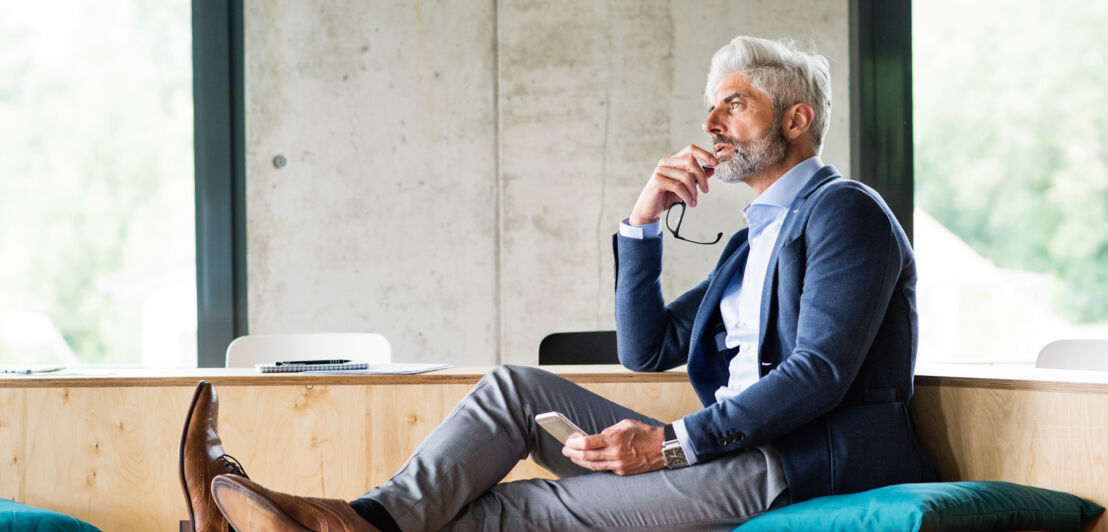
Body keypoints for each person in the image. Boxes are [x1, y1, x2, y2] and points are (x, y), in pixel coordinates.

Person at [178, 35, 935, 532]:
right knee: (512, 391)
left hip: (791, 465)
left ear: (797, 119)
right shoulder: (753, 241)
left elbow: (821, 373)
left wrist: (669, 446)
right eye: (712, 104)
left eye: (734, 102)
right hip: (727, 450)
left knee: (503, 511)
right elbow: (647, 350)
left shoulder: (844, 212)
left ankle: (333, 527)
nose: (711, 120)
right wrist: (641, 221)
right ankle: (357, 523)